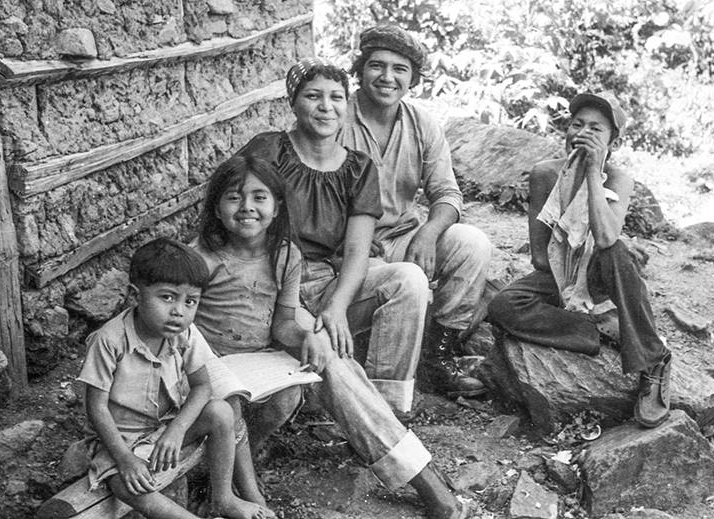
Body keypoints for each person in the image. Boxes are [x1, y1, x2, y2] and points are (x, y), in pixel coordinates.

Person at [190, 152, 469, 519]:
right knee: (253, 398)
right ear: (215, 207)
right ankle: (224, 483)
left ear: (276, 208)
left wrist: (306, 338)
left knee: (324, 361)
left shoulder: (284, 254)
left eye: (259, 198)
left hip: (264, 354)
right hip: (209, 367)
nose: (247, 208)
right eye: (233, 197)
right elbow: (183, 330)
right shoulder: (199, 258)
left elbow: (283, 324)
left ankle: (415, 469)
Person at [235, 58, 429, 414]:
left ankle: (390, 405)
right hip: (275, 285)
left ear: (346, 104)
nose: (326, 107)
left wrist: (337, 306)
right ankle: (364, 421)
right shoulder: (268, 151)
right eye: (313, 96)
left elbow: (357, 250)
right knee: (322, 349)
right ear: (293, 103)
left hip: (326, 280)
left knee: (408, 279)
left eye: (336, 97)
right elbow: (238, 217)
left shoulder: (358, 167)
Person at [487, 92, 673, 428]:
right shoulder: (545, 174)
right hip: (561, 274)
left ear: (612, 141)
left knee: (616, 251)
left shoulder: (618, 179)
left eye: (596, 129)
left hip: (601, 275)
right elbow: (542, 259)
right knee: (503, 305)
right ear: (566, 130)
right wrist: (570, 258)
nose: (582, 134)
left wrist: (591, 173)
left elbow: (605, 238)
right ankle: (593, 329)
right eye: (577, 125)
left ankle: (652, 359)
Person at [339, 25, 492, 397]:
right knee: (409, 281)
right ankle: (378, 388)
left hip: (404, 235)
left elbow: (447, 194)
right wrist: (346, 240)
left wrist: (428, 232)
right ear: (360, 70)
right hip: (348, 246)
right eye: (377, 66)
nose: (387, 77)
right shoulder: (338, 118)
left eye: (400, 69)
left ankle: (437, 355)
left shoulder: (421, 122)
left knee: (472, 244)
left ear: (412, 78)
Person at [77, 238, 274, 519]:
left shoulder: (185, 333)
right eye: (167, 297)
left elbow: (203, 386)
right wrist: (125, 459)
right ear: (135, 296)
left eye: (190, 301)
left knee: (221, 411)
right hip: (122, 441)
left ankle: (224, 499)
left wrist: (177, 429)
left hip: (165, 428)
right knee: (125, 484)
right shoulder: (109, 341)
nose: (179, 311)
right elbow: (96, 407)